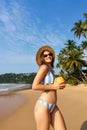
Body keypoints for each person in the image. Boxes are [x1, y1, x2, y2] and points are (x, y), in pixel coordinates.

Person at [32, 45, 67, 130]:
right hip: (43, 106)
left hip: (53, 106)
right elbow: (34, 86)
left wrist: (58, 86)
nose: (48, 56)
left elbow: (50, 86)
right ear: (42, 58)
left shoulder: (51, 69)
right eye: (45, 55)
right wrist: (54, 86)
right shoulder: (44, 67)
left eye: (50, 54)